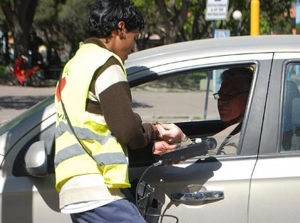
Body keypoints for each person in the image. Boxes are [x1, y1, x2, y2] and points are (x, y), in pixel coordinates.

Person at [54, 1, 183, 223]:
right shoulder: (106, 63)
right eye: (134, 37)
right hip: (99, 189)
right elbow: (127, 130)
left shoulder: (74, 65)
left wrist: (149, 147)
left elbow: (96, 127)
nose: (133, 49)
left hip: (73, 188)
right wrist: (153, 131)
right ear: (120, 28)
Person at [155, 67, 253, 155]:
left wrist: (182, 139)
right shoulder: (235, 126)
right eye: (220, 95)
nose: (222, 101)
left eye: (230, 95)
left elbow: (213, 166)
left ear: (250, 97)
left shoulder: (245, 135)